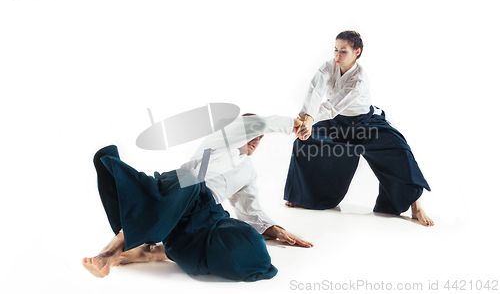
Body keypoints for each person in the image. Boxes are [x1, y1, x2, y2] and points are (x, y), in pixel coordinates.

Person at [82, 114, 312, 281]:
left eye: (260, 137)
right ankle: (112, 250)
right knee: (190, 182)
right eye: (251, 133)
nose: (256, 139)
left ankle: (156, 252)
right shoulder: (221, 142)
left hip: (207, 215)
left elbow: (250, 209)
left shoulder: (248, 170)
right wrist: (293, 123)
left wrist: (277, 230)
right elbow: (251, 124)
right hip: (177, 193)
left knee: (253, 252)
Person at [284, 31, 434, 226]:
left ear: (357, 52)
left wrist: (310, 120)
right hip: (337, 123)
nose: (337, 55)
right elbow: (315, 91)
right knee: (304, 143)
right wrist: (305, 120)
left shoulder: (360, 80)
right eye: (336, 50)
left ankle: (416, 207)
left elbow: (333, 105)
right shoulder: (328, 67)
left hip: (365, 123)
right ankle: (302, 196)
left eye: (343, 51)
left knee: (401, 151)